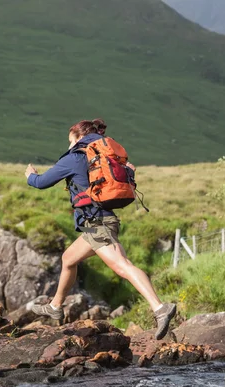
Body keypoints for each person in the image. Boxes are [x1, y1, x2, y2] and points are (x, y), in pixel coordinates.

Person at [25, 119, 176, 340]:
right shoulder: (107, 156)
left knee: (123, 267)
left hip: (97, 224)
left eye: (70, 141)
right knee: (68, 259)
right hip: (100, 221)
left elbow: (41, 182)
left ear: (78, 138)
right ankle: (56, 306)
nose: (68, 145)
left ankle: (160, 308)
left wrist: (30, 175)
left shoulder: (75, 157)